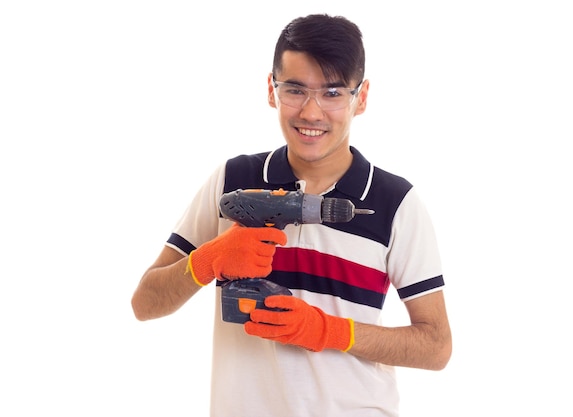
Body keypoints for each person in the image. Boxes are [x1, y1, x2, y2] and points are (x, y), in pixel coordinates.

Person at [131, 13, 452, 417]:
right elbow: (145, 303)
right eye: (295, 90)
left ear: (362, 96)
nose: (312, 113)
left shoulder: (395, 203)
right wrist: (207, 260)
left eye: (333, 93)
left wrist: (329, 330)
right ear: (271, 89)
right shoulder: (234, 180)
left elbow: (436, 346)